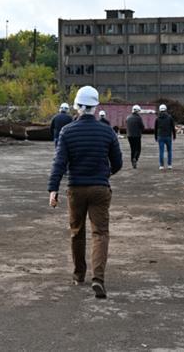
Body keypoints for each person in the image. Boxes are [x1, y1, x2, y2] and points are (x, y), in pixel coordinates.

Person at [48, 86, 123, 299]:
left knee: (76, 231)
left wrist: (53, 188)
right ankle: (98, 279)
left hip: (76, 188)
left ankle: (79, 274)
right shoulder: (107, 131)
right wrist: (104, 175)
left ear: (78, 106)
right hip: (100, 188)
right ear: (95, 106)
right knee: (100, 233)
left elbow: (59, 163)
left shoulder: (67, 131)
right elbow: (118, 162)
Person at [154, 104, 176, 170]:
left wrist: (155, 137)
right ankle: (169, 165)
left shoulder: (157, 118)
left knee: (161, 151)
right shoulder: (170, 117)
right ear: (166, 109)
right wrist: (174, 135)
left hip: (160, 136)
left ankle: (161, 165)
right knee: (169, 151)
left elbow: (155, 129)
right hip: (168, 136)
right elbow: (173, 127)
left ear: (160, 110)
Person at [125, 105, 145, 169]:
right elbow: (142, 127)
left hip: (129, 136)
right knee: (138, 149)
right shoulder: (139, 118)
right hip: (137, 136)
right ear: (137, 111)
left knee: (132, 149)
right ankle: (135, 158)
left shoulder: (128, 117)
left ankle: (132, 161)